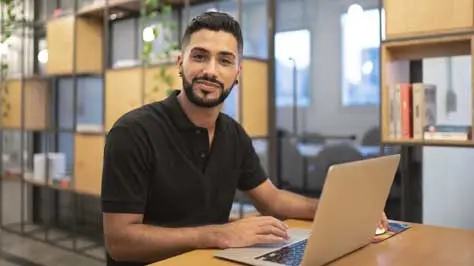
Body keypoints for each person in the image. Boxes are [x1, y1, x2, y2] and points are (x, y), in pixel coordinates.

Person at [100, 11, 388, 266]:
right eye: (199, 56)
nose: (210, 70)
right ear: (180, 63)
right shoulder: (133, 133)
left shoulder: (233, 134)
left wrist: (343, 211)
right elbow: (120, 242)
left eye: (224, 60)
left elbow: (272, 200)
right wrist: (219, 233)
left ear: (237, 73)